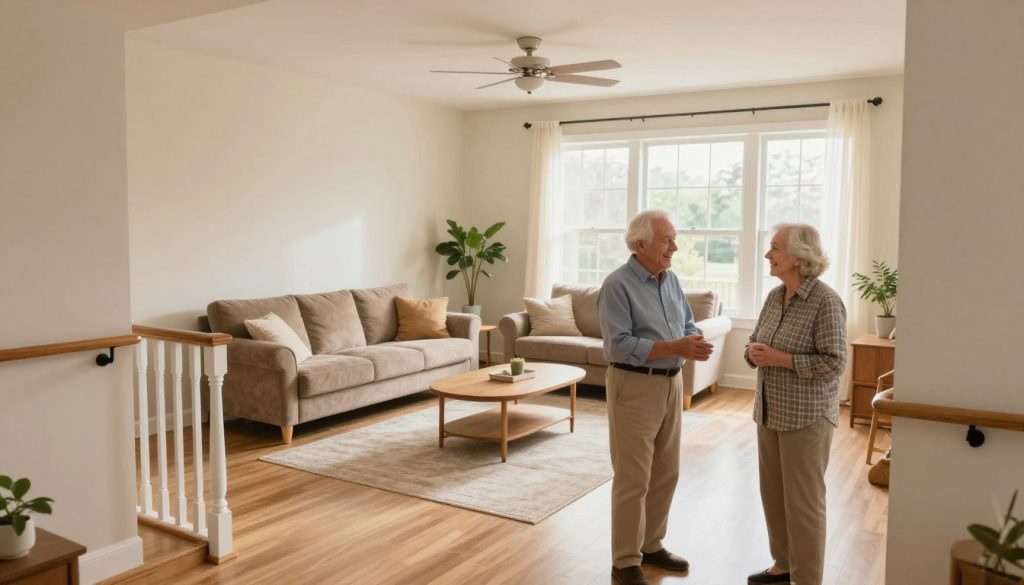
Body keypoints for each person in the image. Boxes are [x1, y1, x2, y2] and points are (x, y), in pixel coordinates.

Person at [598, 209, 714, 585]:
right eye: (667, 240)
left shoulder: (672, 280)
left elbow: (686, 324)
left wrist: (691, 340)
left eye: (673, 239)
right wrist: (672, 346)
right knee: (634, 476)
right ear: (641, 243)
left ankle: (651, 545)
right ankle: (625, 560)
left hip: (671, 381)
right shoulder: (617, 285)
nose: (674, 247)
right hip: (634, 384)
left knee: (667, 471)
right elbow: (618, 346)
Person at [745, 223, 847, 585]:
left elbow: (834, 363)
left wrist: (780, 359)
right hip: (769, 412)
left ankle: (807, 579)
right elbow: (756, 342)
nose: (767, 255)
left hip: (806, 418)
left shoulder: (826, 301)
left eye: (774, 248)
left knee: (804, 504)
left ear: (799, 257)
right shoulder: (775, 297)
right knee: (773, 495)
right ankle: (783, 565)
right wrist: (754, 354)